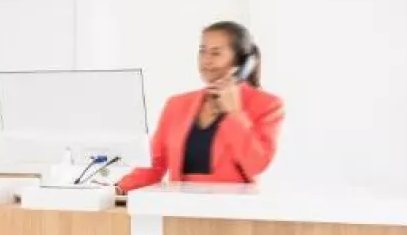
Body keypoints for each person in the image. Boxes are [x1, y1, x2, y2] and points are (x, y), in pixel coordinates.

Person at [116, 20, 284, 192]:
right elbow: (153, 166)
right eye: (203, 51)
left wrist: (234, 113)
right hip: (181, 205)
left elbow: (256, 164)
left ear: (241, 61)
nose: (206, 60)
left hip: (235, 206)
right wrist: (117, 190)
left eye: (216, 53)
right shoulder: (177, 104)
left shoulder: (267, 104)